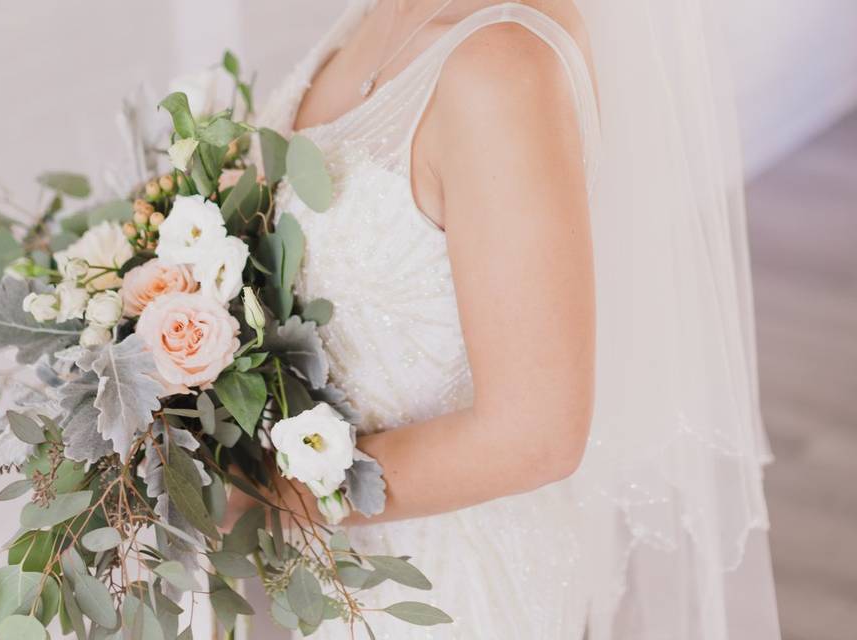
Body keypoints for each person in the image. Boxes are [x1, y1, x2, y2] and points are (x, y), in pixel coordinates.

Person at [245, 1, 782, 637]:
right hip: (323, 572)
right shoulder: (374, 16)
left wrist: (261, 491)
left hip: (445, 591)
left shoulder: (503, 64)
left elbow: (536, 436)